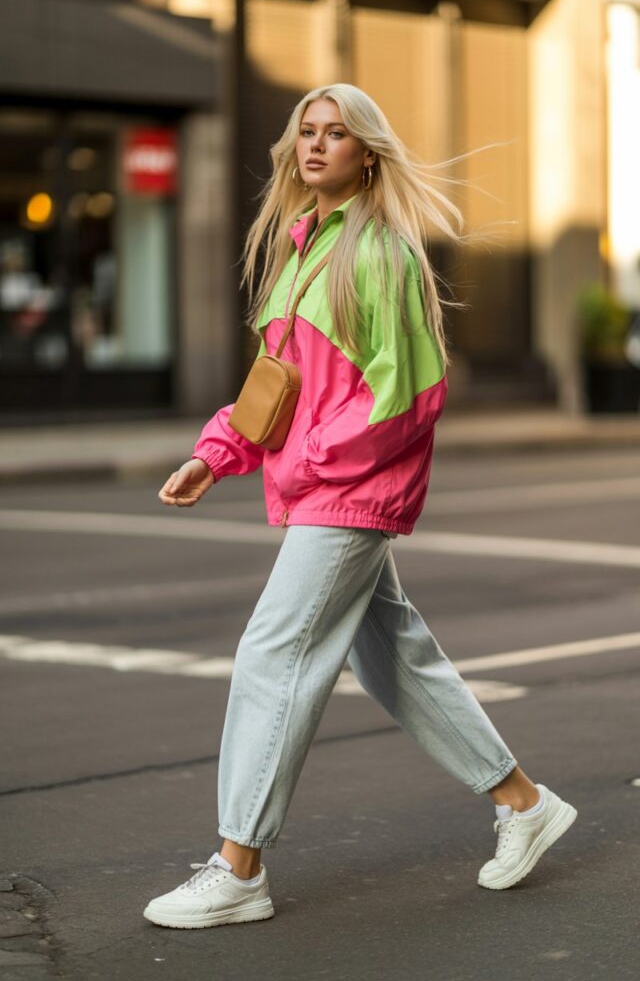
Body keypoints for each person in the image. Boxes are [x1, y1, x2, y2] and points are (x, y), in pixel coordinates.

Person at [143, 83, 577, 930]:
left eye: (336, 134)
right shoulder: (304, 244)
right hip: (327, 487)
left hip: (347, 492)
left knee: (273, 652)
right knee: (392, 657)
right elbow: (278, 390)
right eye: (306, 131)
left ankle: (239, 866)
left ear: (366, 153)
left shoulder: (382, 252)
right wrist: (215, 453)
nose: (315, 145)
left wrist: (308, 465)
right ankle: (525, 805)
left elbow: (408, 396)